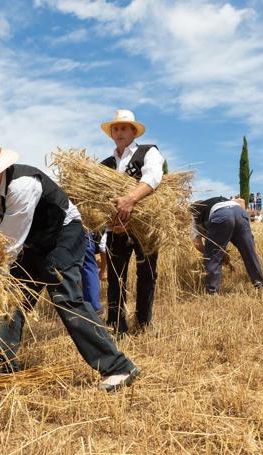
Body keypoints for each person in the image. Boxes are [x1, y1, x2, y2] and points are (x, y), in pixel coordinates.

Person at [0, 137, 139, 392]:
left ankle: (118, 367)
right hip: (28, 241)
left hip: (61, 235)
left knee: (67, 299)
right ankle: (1, 367)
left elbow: (6, 247)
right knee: (11, 300)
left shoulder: (22, 185)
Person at [99, 109, 165, 336]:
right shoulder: (104, 165)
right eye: (115, 128)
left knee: (147, 273)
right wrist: (111, 222)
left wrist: (130, 200)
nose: (119, 132)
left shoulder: (149, 152)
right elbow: (99, 201)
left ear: (134, 132)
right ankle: (117, 326)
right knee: (116, 277)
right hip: (116, 229)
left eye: (124, 128)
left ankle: (143, 322)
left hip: (145, 226)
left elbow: (154, 177)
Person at [191, 197, 263, 294]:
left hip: (221, 215)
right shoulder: (215, 202)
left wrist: (217, 253)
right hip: (239, 212)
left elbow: (198, 244)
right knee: (249, 252)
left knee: (212, 256)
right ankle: (260, 286)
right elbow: (241, 200)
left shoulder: (193, 216)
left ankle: (212, 293)